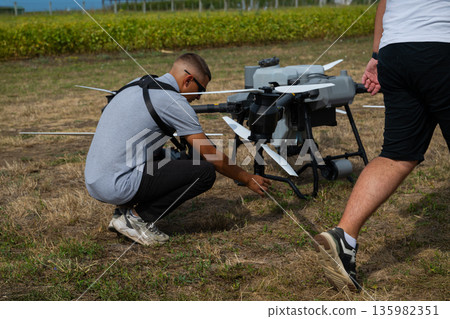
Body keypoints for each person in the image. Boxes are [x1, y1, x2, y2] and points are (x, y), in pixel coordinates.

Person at [314, 0, 450, 292]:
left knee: (396, 154)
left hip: (396, 50)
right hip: (441, 44)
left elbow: (384, 3)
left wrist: (377, 54)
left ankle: (344, 237)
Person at [85, 53, 271, 246]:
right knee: (204, 172)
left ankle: (122, 209)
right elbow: (210, 155)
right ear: (188, 79)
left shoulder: (139, 83)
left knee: (176, 157)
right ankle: (134, 218)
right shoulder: (173, 101)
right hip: (117, 184)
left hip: (95, 178)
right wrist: (246, 178)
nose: (199, 97)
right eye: (200, 89)